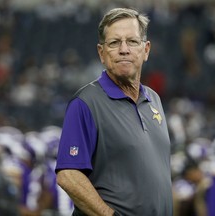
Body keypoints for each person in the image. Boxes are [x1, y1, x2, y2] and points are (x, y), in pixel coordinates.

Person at [55, 7, 173, 216]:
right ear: (102, 53)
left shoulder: (154, 99)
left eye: (132, 41)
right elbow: (69, 175)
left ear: (145, 50)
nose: (124, 49)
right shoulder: (85, 103)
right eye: (114, 42)